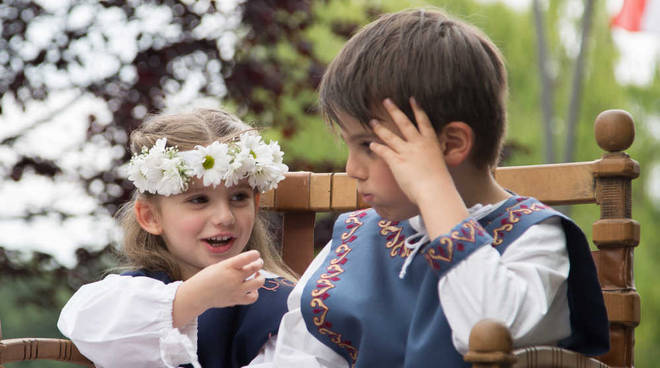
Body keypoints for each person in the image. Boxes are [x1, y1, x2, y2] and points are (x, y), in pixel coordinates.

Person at [248, 8, 609, 368]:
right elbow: (299, 355)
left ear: (451, 145)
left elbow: (484, 331)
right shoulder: (354, 240)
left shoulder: (534, 238)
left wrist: (434, 192)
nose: (352, 169)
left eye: (369, 146)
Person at [58, 108, 297, 368]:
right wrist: (192, 297)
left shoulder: (279, 305)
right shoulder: (131, 296)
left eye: (239, 197)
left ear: (255, 203)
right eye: (198, 199)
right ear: (150, 217)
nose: (225, 217)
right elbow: (82, 321)